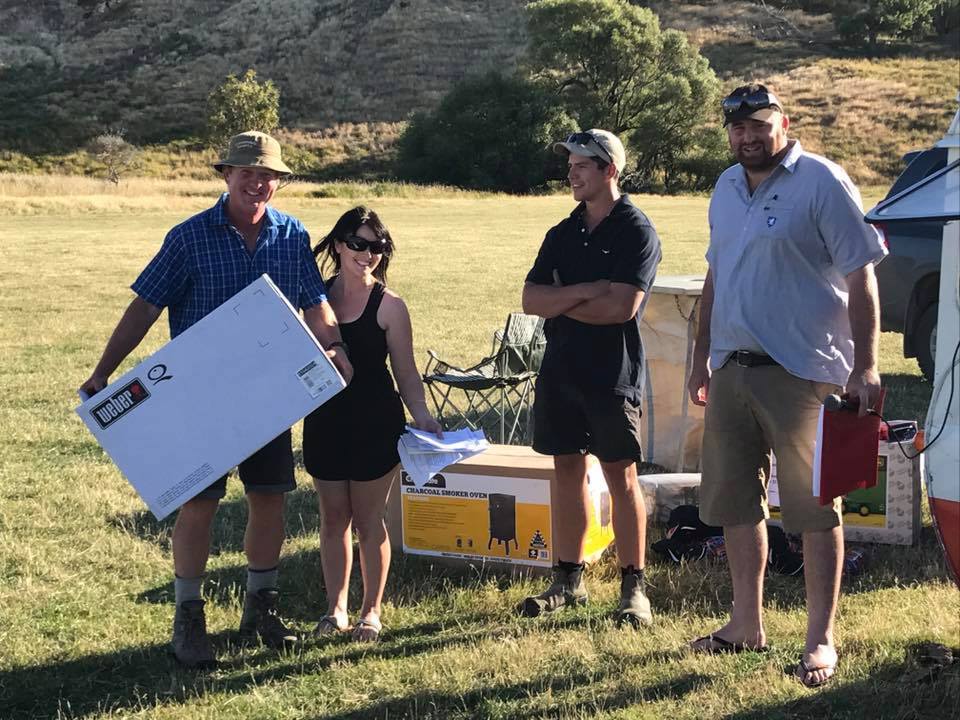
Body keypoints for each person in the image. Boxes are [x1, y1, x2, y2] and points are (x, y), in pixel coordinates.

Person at [79, 131, 354, 668]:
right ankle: (189, 618)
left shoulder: (292, 234)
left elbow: (314, 300)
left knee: (269, 498)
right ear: (226, 175)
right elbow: (145, 307)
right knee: (199, 504)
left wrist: (336, 345)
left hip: (269, 395)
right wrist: (103, 371)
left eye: (268, 175)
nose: (258, 183)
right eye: (247, 172)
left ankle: (261, 608)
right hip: (200, 401)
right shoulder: (188, 237)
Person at [686, 84, 886, 688]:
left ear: (784, 123)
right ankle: (745, 624)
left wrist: (866, 367)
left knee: (814, 509)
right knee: (734, 502)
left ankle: (820, 639)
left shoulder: (822, 181)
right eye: (737, 128)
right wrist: (701, 359)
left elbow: (862, 276)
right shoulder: (725, 186)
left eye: (758, 125)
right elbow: (716, 276)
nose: (747, 137)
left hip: (805, 373)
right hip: (733, 369)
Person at [521, 129, 662, 626]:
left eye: (582, 165)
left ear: (610, 171)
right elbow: (531, 300)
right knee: (566, 472)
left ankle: (633, 587)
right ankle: (568, 579)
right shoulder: (561, 232)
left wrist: (563, 298)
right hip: (560, 370)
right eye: (570, 165)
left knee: (621, 477)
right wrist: (589, 290)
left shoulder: (636, 231)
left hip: (611, 373)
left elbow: (621, 308)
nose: (571, 174)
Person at [303, 206, 442, 643]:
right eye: (358, 244)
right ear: (338, 245)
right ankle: (335, 609)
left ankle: (371, 612)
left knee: (368, 520)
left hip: (375, 422)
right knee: (332, 518)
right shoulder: (314, 299)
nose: (368, 254)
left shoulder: (391, 306)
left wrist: (422, 415)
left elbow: (406, 371)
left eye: (377, 246)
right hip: (324, 421)